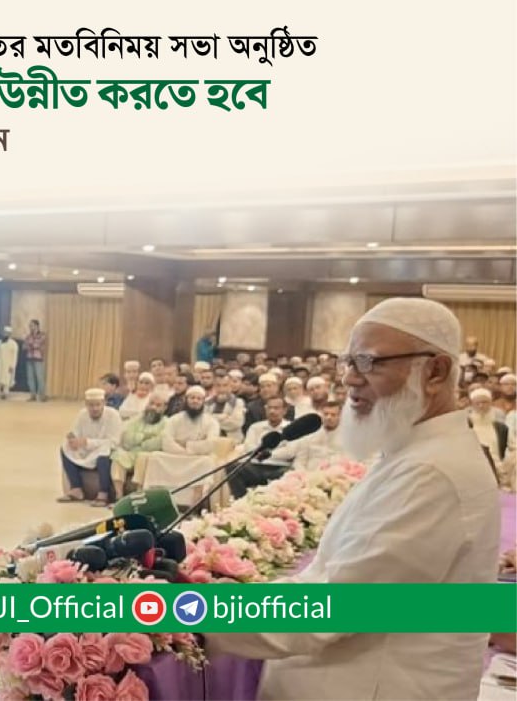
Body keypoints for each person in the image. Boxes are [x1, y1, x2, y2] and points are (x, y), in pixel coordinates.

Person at [205, 298, 500, 699]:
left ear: (435, 371)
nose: (349, 379)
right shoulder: (411, 451)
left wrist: (196, 615)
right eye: (348, 362)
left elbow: (336, 606)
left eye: (369, 362)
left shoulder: (432, 471)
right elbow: (326, 578)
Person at [57, 388, 124, 504]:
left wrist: (88, 442)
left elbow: (114, 442)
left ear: (104, 403)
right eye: (91, 405)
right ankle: (76, 489)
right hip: (86, 450)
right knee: (65, 448)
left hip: (106, 450)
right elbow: (75, 432)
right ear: (86, 405)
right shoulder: (82, 414)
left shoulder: (113, 415)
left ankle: (103, 493)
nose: (95, 409)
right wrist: (72, 439)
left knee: (104, 452)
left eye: (98, 405)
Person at [228, 396, 293, 497]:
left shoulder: (291, 427)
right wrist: (265, 454)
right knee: (232, 468)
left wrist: (267, 454)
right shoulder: (255, 427)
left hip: (279, 467)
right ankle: (242, 502)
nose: (272, 411)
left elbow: (289, 452)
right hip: (256, 466)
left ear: (284, 411)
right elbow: (249, 448)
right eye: (269, 408)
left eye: (276, 408)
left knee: (290, 473)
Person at [111, 392, 169, 492]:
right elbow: (127, 440)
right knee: (118, 455)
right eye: (151, 403)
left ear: (164, 408)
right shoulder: (137, 419)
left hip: (151, 456)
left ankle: (139, 491)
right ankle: (118, 494)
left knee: (142, 456)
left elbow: (156, 444)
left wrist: (138, 439)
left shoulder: (167, 423)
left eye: (158, 405)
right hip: (132, 452)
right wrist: (145, 436)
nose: (153, 407)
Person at [162, 386, 223, 455]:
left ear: (203, 402)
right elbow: (166, 442)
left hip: (199, 457)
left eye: (199, 399)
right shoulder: (174, 419)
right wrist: (184, 452)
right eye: (192, 398)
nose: (195, 401)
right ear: (186, 400)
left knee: (207, 460)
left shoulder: (212, 422)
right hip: (176, 456)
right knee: (156, 455)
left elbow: (211, 444)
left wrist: (187, 445)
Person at [22, 319, 47, 401]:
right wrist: (31, 345)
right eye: (30, 326)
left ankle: (42, 396)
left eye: (32, 325)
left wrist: (30, 345)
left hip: (38, 358)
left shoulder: (42, 335)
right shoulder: (28, 336)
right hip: (29, 358)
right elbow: (24, 346)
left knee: (40, 377)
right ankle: (32, 395)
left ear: (37, 326)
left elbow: (38, 344)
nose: (30, 327)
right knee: (30, 378)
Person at [0, 326, 19, 399]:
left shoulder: (14, 344)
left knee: (6, 379)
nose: (5, 334)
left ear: (10, 334)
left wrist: (12, 366)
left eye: (7, 333)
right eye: (5, 333)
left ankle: (5, 393)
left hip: (8, 364)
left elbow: (15, 356)